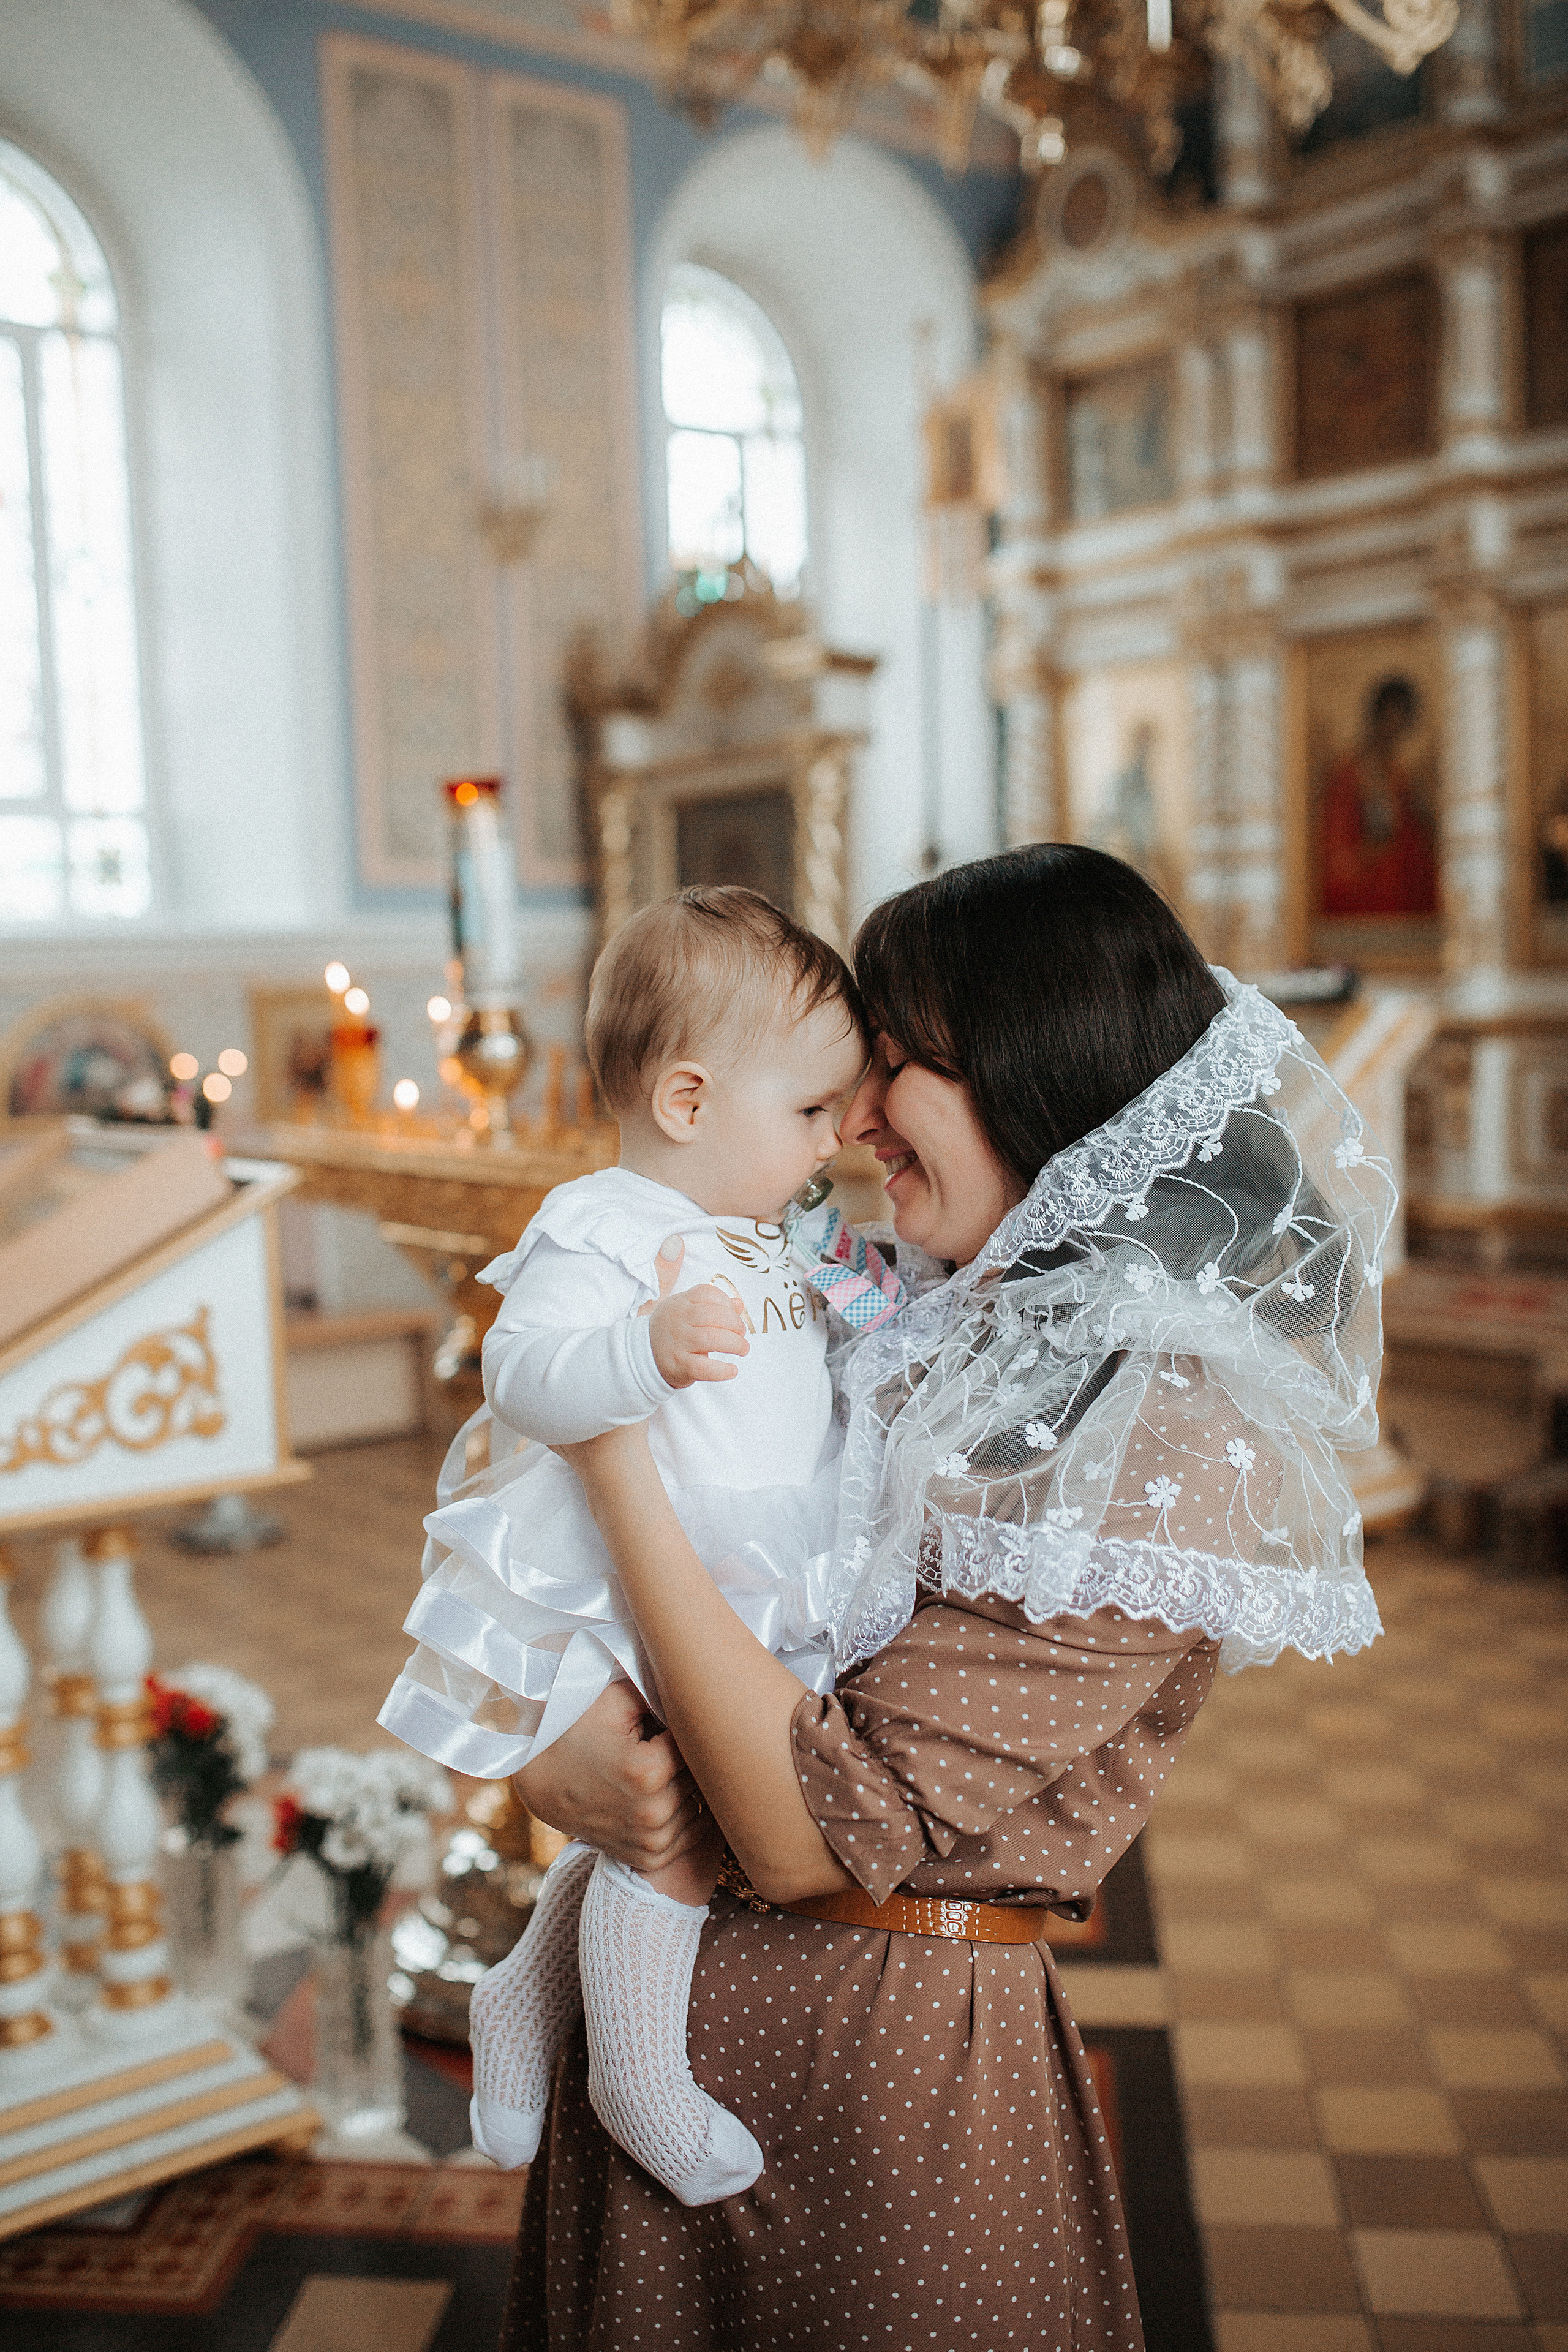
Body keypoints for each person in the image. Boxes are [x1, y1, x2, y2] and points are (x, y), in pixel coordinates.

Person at [502, 843, 1394, 2352]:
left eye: (897, 1063)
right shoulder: (928, 1310)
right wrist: (552, 1762)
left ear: (1037, 1078)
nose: (850, 1116)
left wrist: (608, 1452)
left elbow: (800, 1830)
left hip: (872, 2082)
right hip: (647, 2033)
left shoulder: (1168, 1438)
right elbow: (631, 1608)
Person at [379, 886, 903, 2207]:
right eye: (805, 1112)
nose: (836, 1135)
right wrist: (638, 1355)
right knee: (668, 1833)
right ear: (683, 1102)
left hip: (744, 1569)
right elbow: (519, 1375)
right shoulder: (602, 1224)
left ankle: (516, 1997)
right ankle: (632, 2074)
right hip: (627, 1578)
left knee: (699, 1814)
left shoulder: (762, 1231)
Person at [1319, 673, 1438, 918]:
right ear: (1376, 718)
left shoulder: (1403, 778)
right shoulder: (1348, 774)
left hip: (1399, 895)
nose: (1393, 734)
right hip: (1362, 895)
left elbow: (1415, 839)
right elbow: (1339, 857)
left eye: (1401, 727)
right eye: (1389, 721)